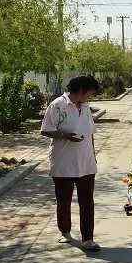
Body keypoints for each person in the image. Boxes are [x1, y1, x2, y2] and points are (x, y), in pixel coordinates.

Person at [40, 75, 101, 252]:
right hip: (63, 162)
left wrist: (93, 156)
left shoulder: (86, 107)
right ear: (81, 90)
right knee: (64, 201)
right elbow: (45, 130)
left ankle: (87, 239)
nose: (90, 97)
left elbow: (90, 134)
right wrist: (65, 136)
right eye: (89, 93)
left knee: (87, 202)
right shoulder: (58, 105)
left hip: (86, 163)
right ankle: (65, 232)